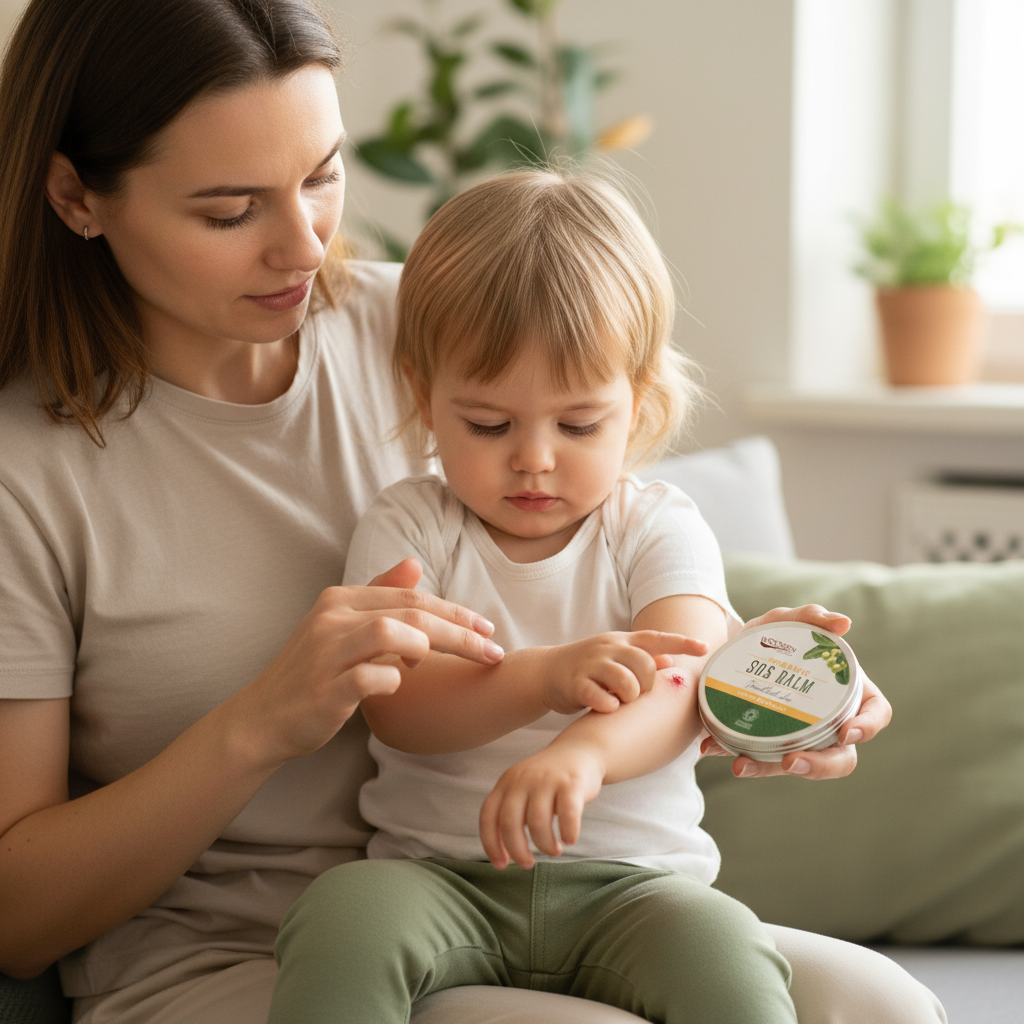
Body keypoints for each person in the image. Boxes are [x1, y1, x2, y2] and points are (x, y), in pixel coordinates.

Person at [0, 2, 944, 1023]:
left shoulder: (431, 322)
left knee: (882, 1007)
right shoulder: (28, 471)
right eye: (231, 211)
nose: (304, 247)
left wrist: (764, 683)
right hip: (243, 953)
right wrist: (259, 724)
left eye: (322, 176)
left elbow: (623, 568)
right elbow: (17, 919)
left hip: (564, 888)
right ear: (76, 194)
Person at [268, 169, 799, 1023]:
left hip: (637, 889)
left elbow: (686, 681)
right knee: (341, 918)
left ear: (639, 401)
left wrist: (581, 754)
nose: (534, 459)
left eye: (578, 424)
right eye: (488, 424)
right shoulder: (409, 523)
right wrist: (539, 678)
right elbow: (397, 708)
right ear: (423, 396)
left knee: (728, 952)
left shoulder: (656, 527)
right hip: (439, 880)